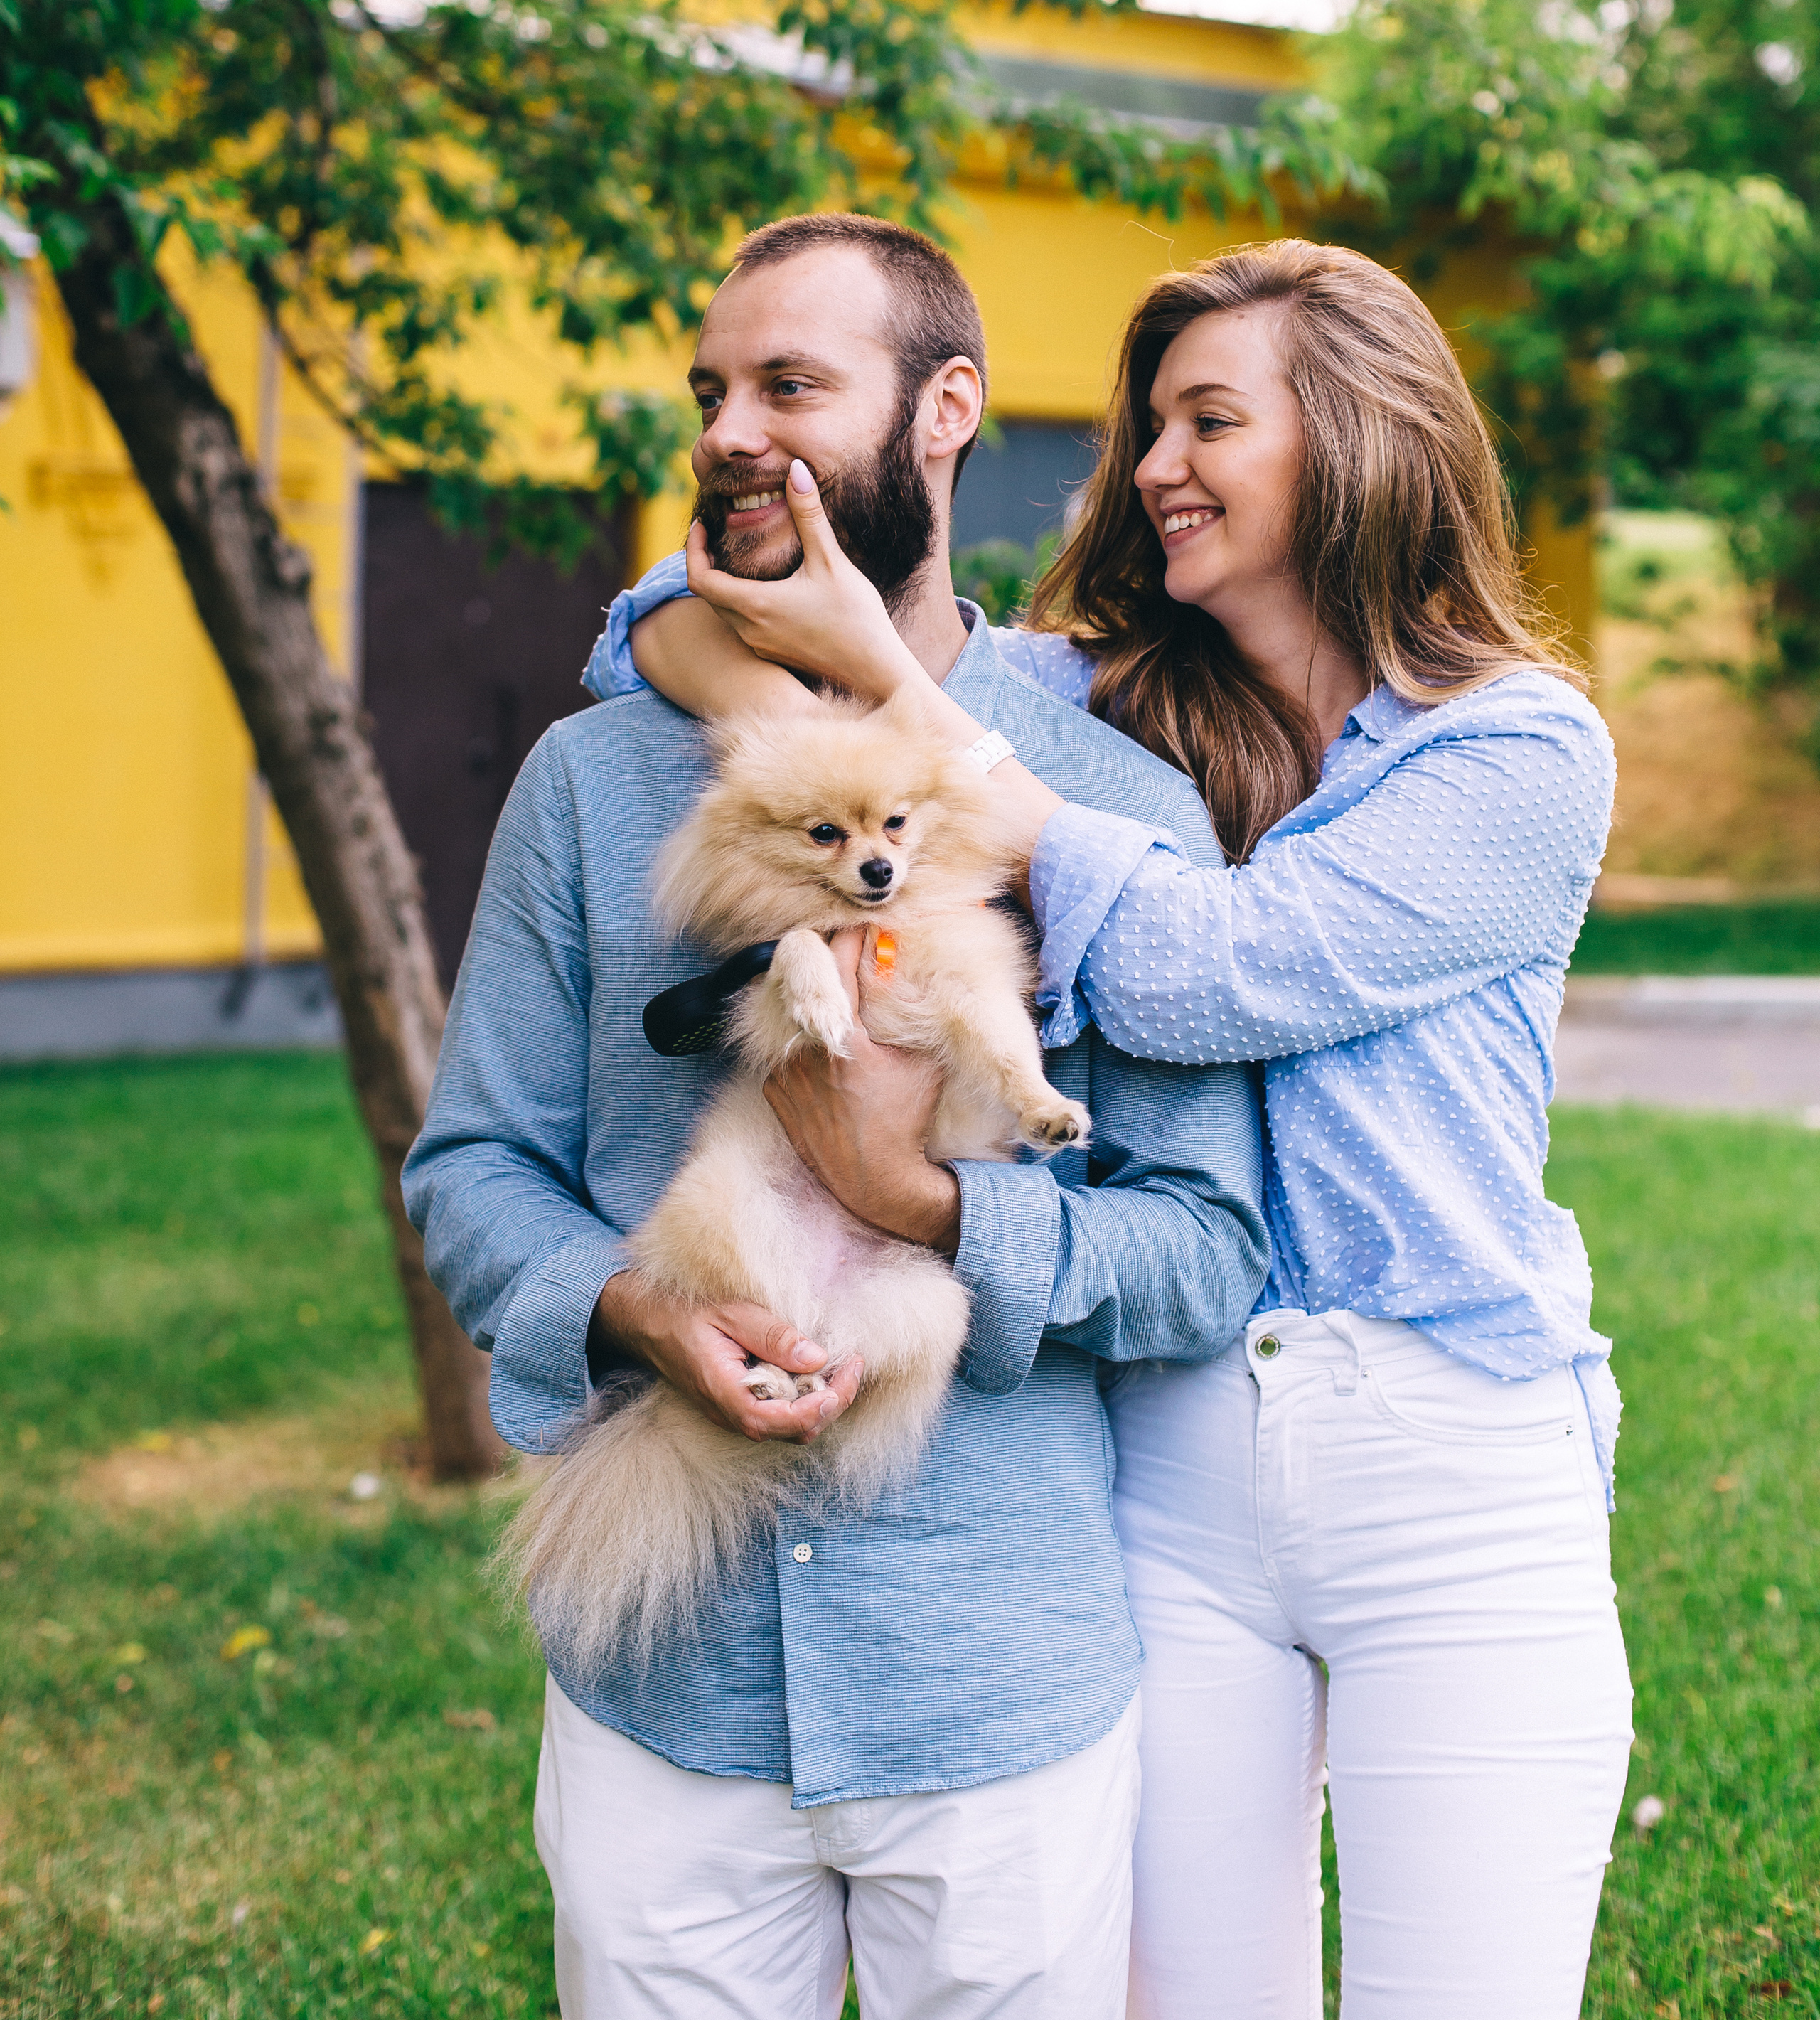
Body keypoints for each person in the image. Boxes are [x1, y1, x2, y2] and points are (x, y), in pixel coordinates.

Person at [614, 235, 1635, 2020]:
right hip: (1169, 1466)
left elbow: (1207, 971)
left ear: (1359, 440)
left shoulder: (1516, 753)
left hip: (1450, 1458)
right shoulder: (1109, 715)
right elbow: (658, 624)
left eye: (1208, 419)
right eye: (1148, 422)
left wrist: (900, 690)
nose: (1150, 465)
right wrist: (808, 679)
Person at [401, 211, 1270, 2020]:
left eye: (789, 384)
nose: (727, 429)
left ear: (944, 412)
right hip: (669, 1687)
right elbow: (473, 1162)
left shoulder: (1103, 803)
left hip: (988, 1676)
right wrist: (639, 1308)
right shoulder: (592, 776)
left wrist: (928, 1203)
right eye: (711, 388)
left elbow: (1204, 1250)